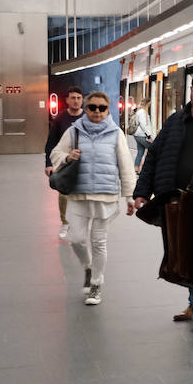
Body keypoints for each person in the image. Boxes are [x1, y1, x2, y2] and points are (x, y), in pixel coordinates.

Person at [133, 72, 193, 334]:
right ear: (190, 92)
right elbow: (154, 157)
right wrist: (142, 191)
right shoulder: (174, 122)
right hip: (176, 200)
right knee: (185, 253)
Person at [49, 90, 136, 306]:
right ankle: (88, 267)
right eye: (93, 107)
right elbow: (55, 153)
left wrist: (130, 196)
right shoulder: (73, 131)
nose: (97, 112)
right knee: (76, 239)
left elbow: (125, 165)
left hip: (105, 196)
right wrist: (67, 156)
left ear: (108, 110)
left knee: (99, 242)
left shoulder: (116, 134)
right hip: (78, 194)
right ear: (86, 109)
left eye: (102, 108)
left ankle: (96, 283)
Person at [44, 87, 83, 240]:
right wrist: (49, 163)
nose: (76, 101)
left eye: (79, 98)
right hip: (64, 161)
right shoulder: (60, 119)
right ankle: (65, 222)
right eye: (73, 98)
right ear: (67, 100)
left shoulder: (87, 118)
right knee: (64, 194)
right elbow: (51, 143)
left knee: (83, 194)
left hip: (83, 163)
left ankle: (80, 223)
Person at [130, 97, 154, 170]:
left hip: (138, 135)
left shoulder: (139, 111)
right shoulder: (142, 112)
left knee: (140, 152)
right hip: (142, 135)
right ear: (147, 104)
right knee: (153, 150)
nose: (150, 106)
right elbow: (143, 125)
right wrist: (149, 136)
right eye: (149, 104)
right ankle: (148, 169)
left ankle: (136, 168)